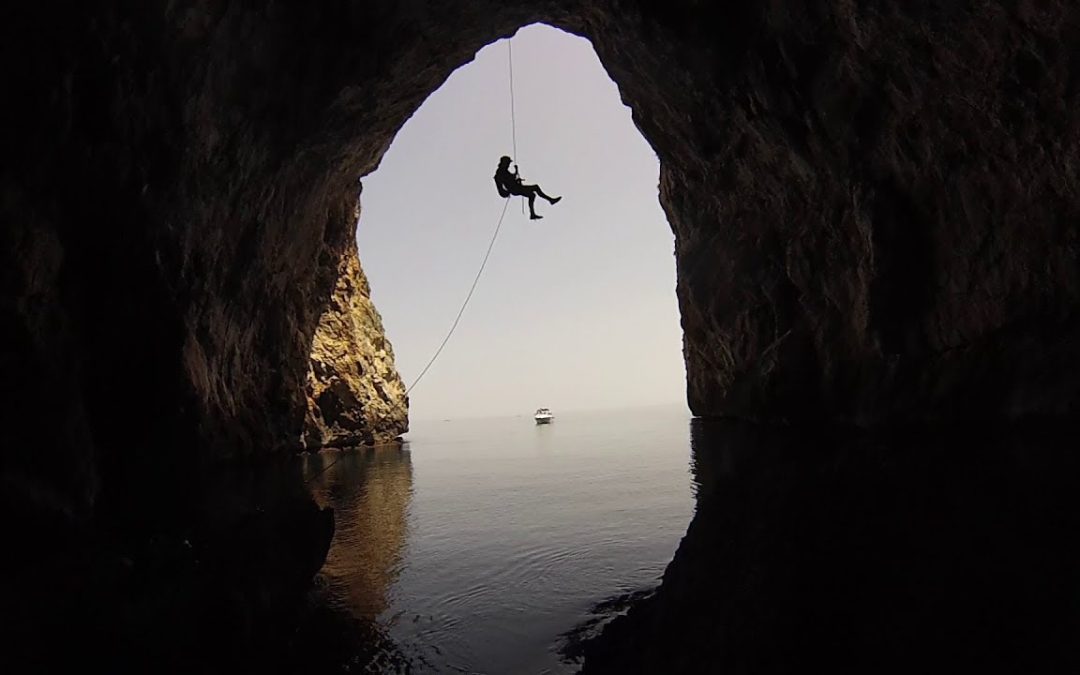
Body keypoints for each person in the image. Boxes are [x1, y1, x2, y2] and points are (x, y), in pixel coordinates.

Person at [493, 156, 561, 219]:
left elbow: (511, 178)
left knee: (532, 195)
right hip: (515, 189)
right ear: (504, 163)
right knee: (535, 187)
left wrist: (516, 171)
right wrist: (507, 190)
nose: (508, 165)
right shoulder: (501, 171)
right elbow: (505, 181)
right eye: (508, 163)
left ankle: (532, 214)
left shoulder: (504, 170)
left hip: (516, 188)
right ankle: (550, 200)